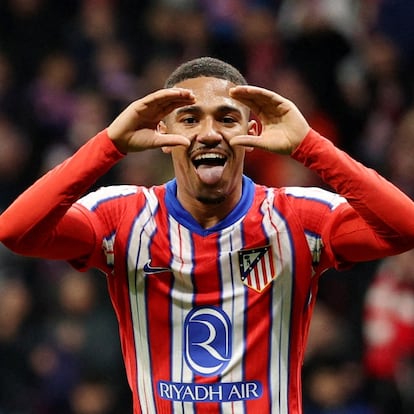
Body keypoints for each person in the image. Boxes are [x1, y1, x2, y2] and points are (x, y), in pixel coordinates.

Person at [1, 56, 414, 414]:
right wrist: (109, 144)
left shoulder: (299, 218)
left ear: (253, 134)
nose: (210, 133)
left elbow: (405, 228)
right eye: (190, 118)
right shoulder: (122, 215)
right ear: (162, 135)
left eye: (227, 118)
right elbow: (16, 231)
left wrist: (309, 145)